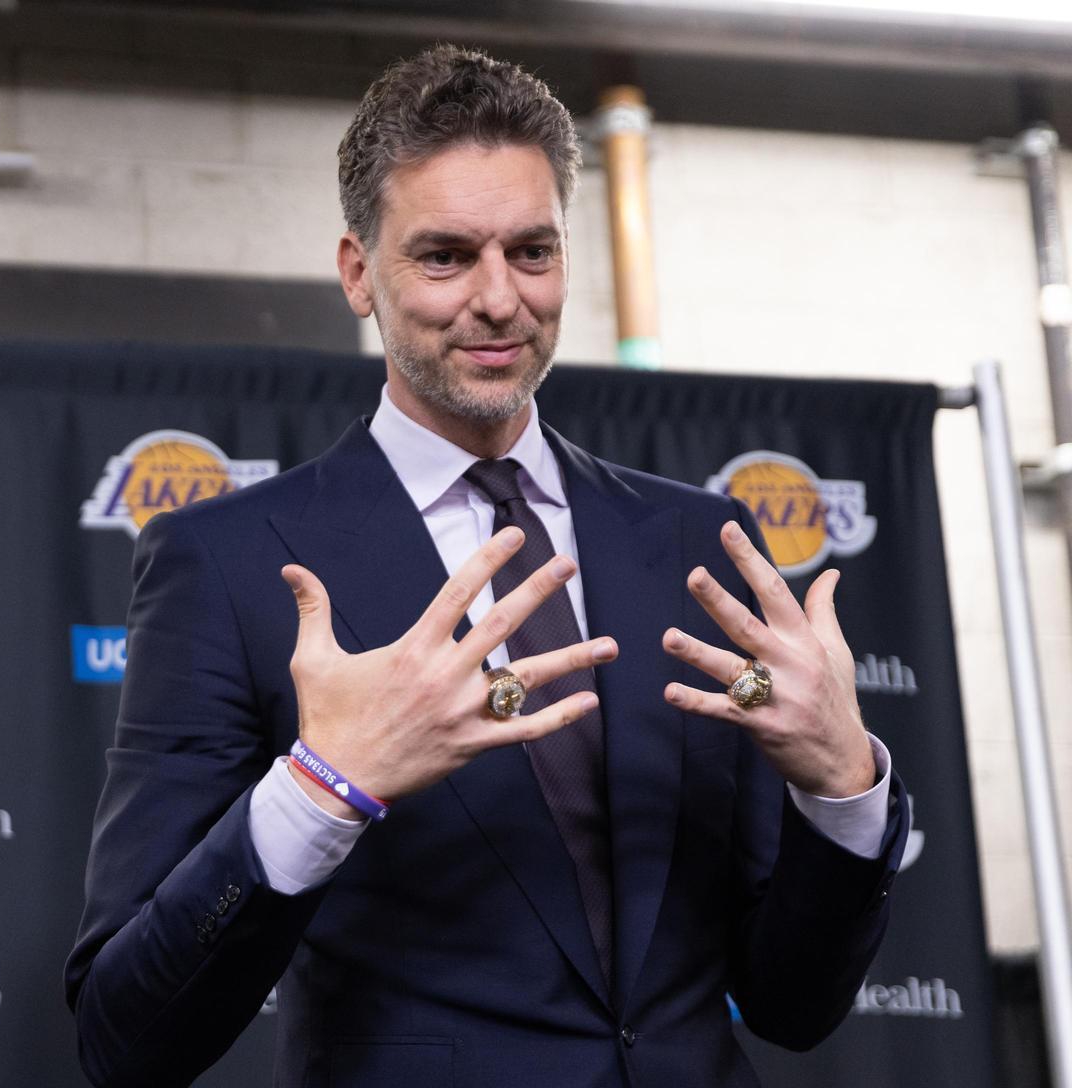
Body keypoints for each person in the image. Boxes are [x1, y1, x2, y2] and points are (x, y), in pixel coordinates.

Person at [66, 45, 906, 1088]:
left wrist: (842, 790)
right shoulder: (233, 565)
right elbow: (123, 1034)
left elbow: (791, 1004)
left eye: (533, 250)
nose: (500, 298)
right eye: (446, 255)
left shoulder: (698, 544)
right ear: (357, 271)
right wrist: (323, 789)